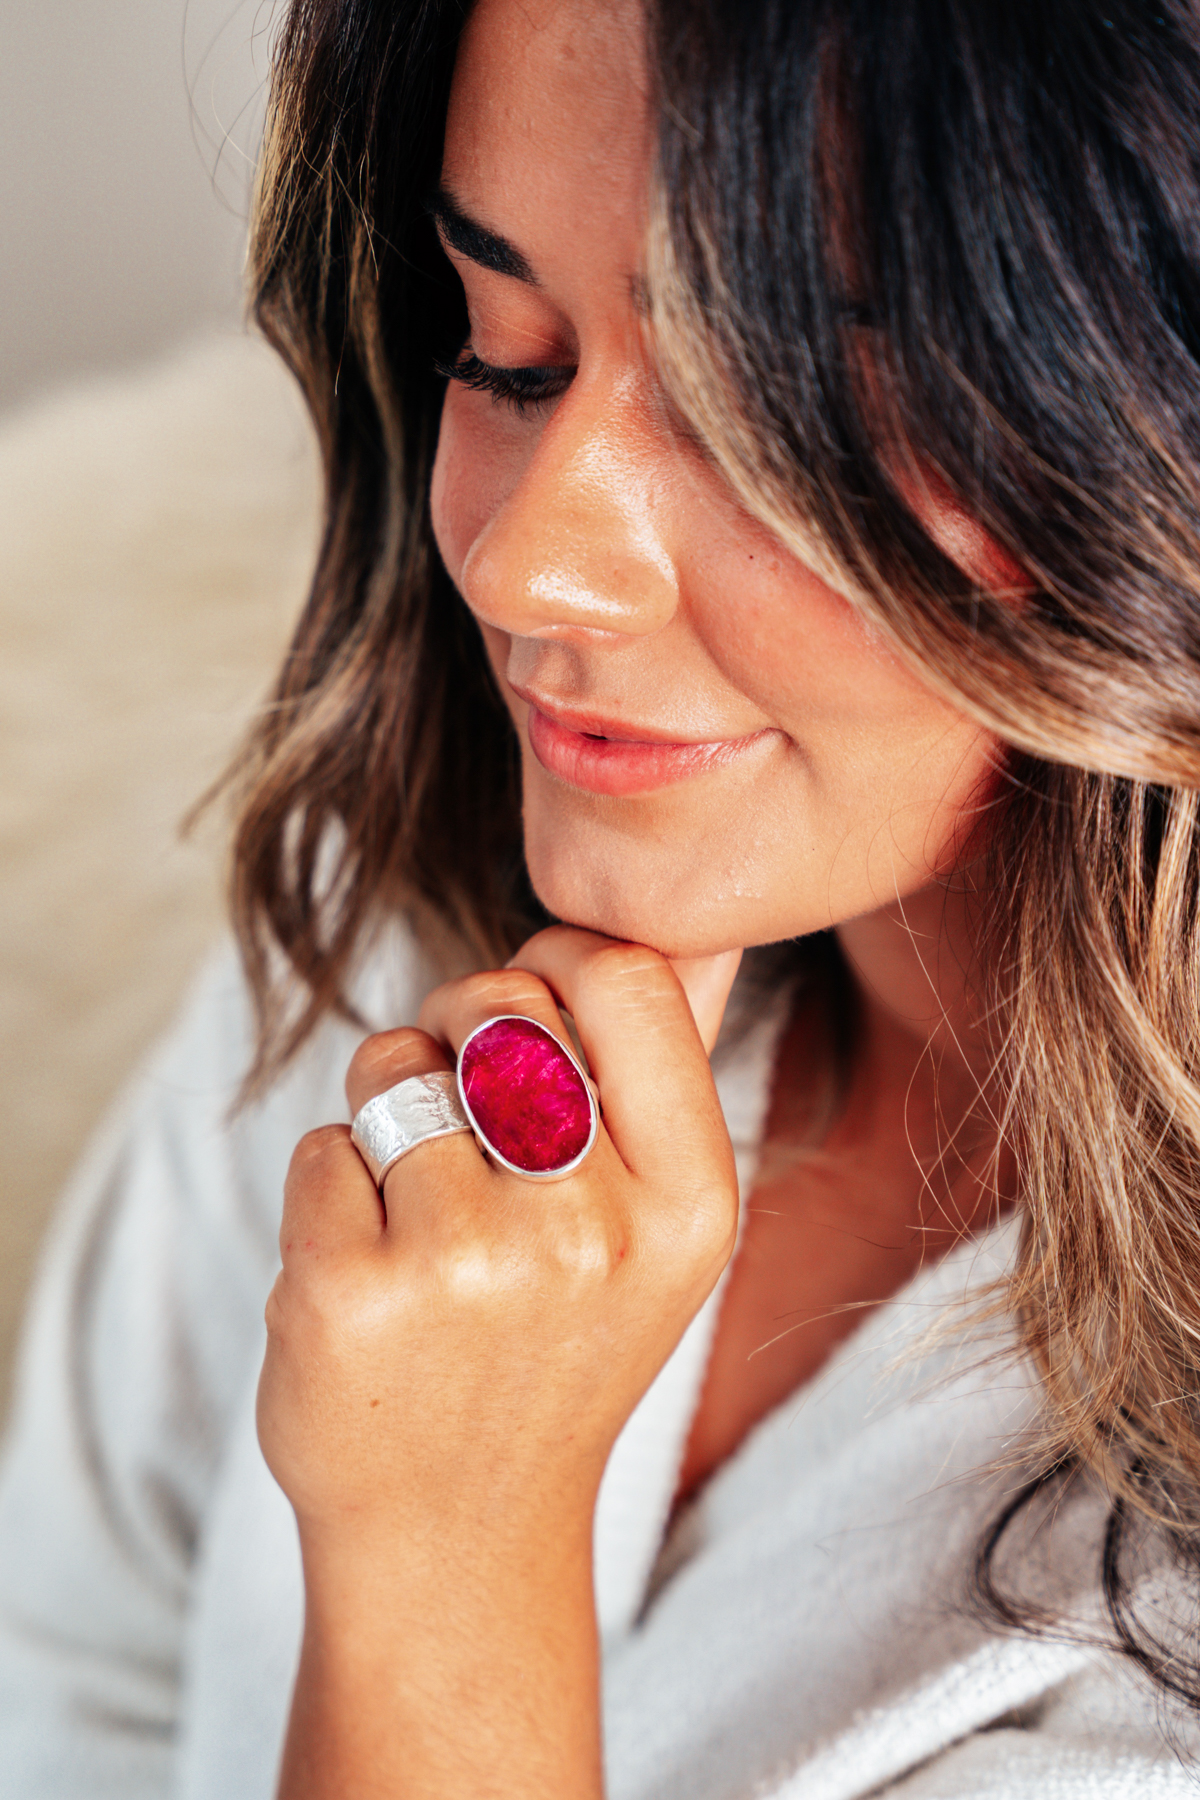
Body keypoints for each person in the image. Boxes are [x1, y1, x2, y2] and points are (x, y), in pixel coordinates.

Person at [4, 0, 1200, 1792]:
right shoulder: (385, 935)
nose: (525, 553)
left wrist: (447, 1550)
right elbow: (67, 1678)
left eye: (765, 411)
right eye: (507, 353)